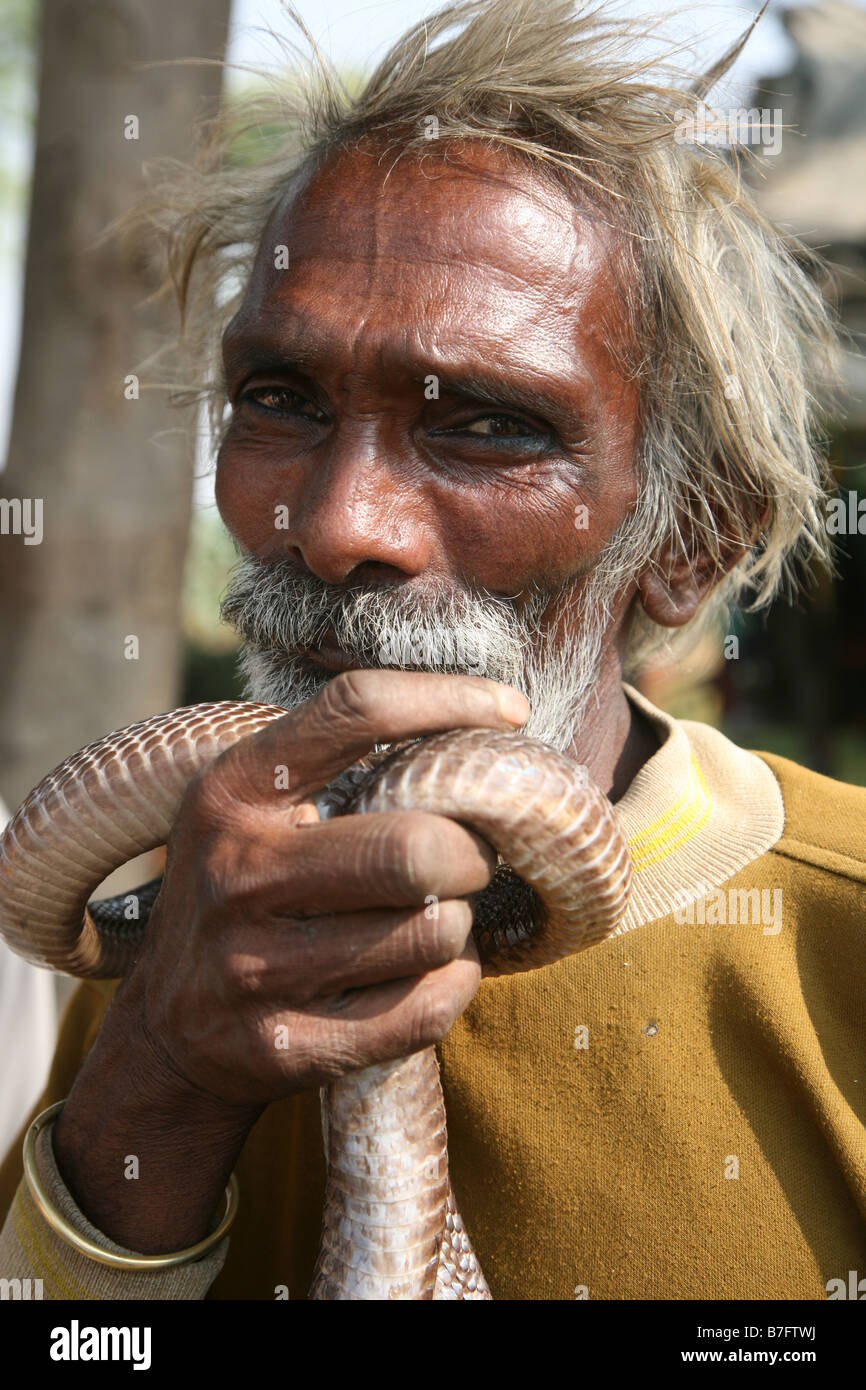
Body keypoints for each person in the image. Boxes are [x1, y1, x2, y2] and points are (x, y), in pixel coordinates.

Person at [1, 0, 863, 1301]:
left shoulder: (833, 935)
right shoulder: (181, 918)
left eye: (487, 425)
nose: (340, 524)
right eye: (279, 399)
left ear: (689, 537)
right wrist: (155, 1086)